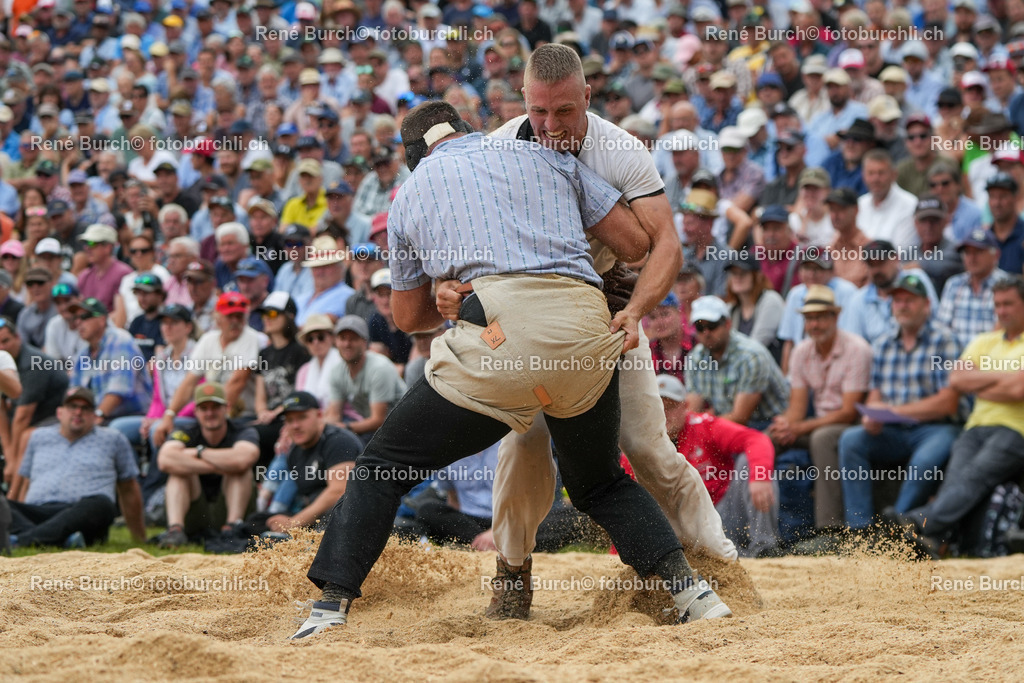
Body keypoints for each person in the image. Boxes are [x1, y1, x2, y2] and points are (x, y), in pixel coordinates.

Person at [291, 100, 731, 640]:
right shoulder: (542, 155)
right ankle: (694, 592)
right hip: (586, 328)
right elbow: (637, 245)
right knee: (601, 483)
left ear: (413, 158)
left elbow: (407, 318)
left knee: (381, 469)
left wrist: (446, 295)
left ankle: (330, 606)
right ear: (468, 130)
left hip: (498, 337)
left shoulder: (409, 193)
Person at [475, 43, 740, 591]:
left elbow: (667, 245)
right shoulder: (496, 151)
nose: (551, 126)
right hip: (528, 322)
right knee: (522, 444)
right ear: (522, 98)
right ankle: (513, 574)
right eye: (539, 110)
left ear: (588, 97)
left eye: (565, 111)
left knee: (647, 448)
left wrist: (637, 310)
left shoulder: (619, 149)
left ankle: (721, 563)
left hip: (608, 317)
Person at [898, 277, 1024, 555]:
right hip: (975, 427)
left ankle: (917, 521)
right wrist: (1005, 378)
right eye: (998, 305)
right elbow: (957, 380)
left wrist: (981, 383)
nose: (1002, 311)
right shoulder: (983, 340)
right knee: (957, 479)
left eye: (1009, 304)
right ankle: (934, 540)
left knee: (974, 476)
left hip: (1016, 430)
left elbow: (1018, 389)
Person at [838, 273, 962, 532]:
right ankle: (860, 530)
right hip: (892, 430)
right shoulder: (883, 344)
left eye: (910, 300)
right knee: (851, 440)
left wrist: (893, 411)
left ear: (926, 305)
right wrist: (871, 415)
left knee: (924, 462)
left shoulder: (944, 340)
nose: (903, 306)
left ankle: (897, 527)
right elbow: (875, 394)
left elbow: (948, 403)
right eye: (897, 300)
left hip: (936, 427)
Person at [769, 285, 872, 533]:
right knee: (765, 438)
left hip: (851, 425)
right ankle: (758, 529)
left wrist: (799, 427)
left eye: (820, 318)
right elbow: (796, 408)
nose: (814, 325)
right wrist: (785, 425)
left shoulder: (857, 349)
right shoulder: (801, 351)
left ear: (835, 317)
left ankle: (830, 528)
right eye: (809, 319)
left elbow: (849, 412)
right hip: (817, 423)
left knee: (822, 438)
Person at [658, 374, 779, 558]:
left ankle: (765, 550)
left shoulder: (704, 426)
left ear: (685, 406)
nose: (665, 414)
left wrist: (760, 476)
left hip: (724, 511)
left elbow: (756, 439)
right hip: (682, 528)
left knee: (751, 463)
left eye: (671, 407)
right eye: (659, 408)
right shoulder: (640, 445)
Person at [8, 387, 145, 548]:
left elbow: (128, 487)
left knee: (102, 504)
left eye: (85, 408)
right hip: (38, 510)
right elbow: (26, 483)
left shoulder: (113, 439)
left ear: (94, 415)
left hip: (83, 513)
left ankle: (21, 540)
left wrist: (139, 537)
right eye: (72, 407)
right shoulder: (38, 437)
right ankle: (60, 540)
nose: (78, 413)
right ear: (59, 412)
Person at [153, 292, 268, 447]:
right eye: (230, 316)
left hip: (240, 415)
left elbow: (237, 382)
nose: (235, 321)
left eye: (239, 316)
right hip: (212, 413)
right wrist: (169, 415)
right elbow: (189, 383)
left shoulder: (251, 337)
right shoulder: (208, 340)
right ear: (217, 318)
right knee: (161, 430)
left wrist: (213, 417)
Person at [155, 383, 261, 547]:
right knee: (179, 473)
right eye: (204, 408)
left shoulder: (243, 431)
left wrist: (199, 452)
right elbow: (165, 460)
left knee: (240, 471)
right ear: (196, 411)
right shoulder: (185, 431)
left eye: (215, 407)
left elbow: (243, 459)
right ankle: (175, 531)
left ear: (227, 408)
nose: (210, 413)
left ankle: (232, 528)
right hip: (196, 511)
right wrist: (221, 465)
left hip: (228, 508)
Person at [251, 391, 359, 534]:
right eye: (289, 420)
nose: (295, 425)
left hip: (348, 515)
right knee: (257, 521)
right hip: (313, 513)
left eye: (302, 417)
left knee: (335, 515)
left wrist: (293, 523)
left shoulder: (338, 441)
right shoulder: (294, 451)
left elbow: (339, 491)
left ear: (319, 415)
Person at [684, 295, 789, 431]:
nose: (706, 332)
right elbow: (693, 409)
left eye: (712, 325)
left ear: (728, 324)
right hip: (726, 423)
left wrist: (701, 425)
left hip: (771, 424)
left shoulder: (751, 355)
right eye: (700, 327)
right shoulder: (696, 357)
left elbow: (740, 417)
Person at [0, 318, 68, 503]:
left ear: (18, 338)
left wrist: (13, 463)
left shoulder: (33, 362)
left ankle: (15, 501)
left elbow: (22, 417)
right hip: (30, 419)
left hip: (56, 416)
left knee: (27, 437)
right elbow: (1, 412)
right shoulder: (5, 361)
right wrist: (9, 455)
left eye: (5, 341)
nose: (2, 347)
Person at [68, 298, 152, 422]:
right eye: (76, 318)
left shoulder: (120, 341)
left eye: (85, 317)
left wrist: (97, 417)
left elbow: (118, 392)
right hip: (97, 418)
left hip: (131, 417)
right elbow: (74, 393)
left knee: (114, 426)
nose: (78, 322)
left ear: (102, 320)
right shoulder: (83, 353)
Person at [325, 315, 405, 444]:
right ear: (336, 342)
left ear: (365, 342)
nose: (347, 344)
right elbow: (334, 414)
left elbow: (379, 420)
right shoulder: (336, 371)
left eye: (353, 339)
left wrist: (345, 428)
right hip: (378, 431)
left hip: (402, 429)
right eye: (342, 338)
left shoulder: (379, 368)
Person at [251, 292, 310, 468]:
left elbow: (301, 392)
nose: (266, 318)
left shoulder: (301, 352)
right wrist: (262, 412)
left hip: (289, 417)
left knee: (251, 434)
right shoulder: (264, 353)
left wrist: (275, 413)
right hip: (267, 418)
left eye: (272, 313)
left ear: (289, 317)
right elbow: (260, 395)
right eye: (264, 313)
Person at [937, 229, 1007, 349]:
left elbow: (1006, 331)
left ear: (995, 255)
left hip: (993, 355)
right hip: (956, 356)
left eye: (978, 252)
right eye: (967, 252)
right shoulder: (953, 285)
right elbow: (942, 329)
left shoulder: (1007, 285)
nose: (972, 258)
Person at [723, 250, 784, 360]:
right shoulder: (731, 308)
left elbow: (757, 345)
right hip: (739, 364)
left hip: (764, 365)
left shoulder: (770, 300)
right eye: (734, 273)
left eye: (743, 273)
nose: (738, 277)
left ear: (757, 276)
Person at [856, 149, 919, 249]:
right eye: (871, 173)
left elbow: (901, 250)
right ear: (863, 176)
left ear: (894, 175)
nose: (876, 179)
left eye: (881, 173)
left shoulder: (910, 205)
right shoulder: (859, 204)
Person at [294, 314, 342, 409]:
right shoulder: (303, 371)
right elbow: (300, 401)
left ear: (332, 338)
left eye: (321, 337)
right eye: (310, 339)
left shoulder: (343, 363)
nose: (315, 342)